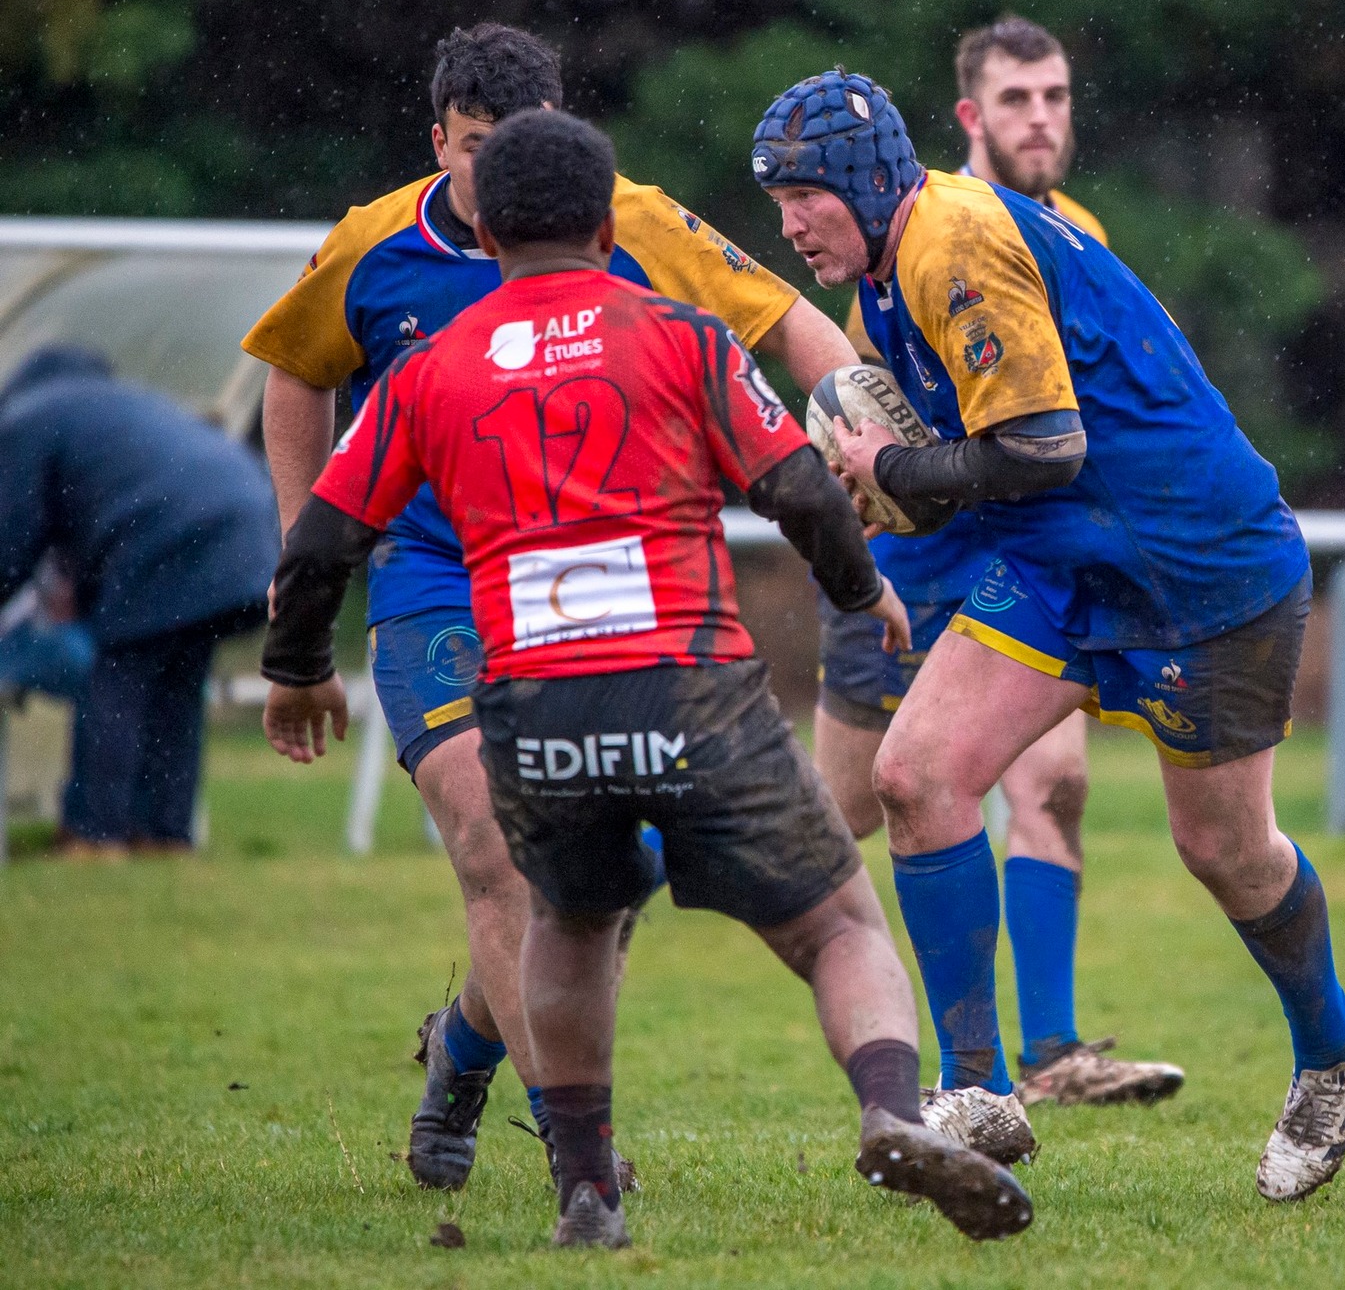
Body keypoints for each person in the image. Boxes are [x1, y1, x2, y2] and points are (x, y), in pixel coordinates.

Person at [260, 110, 1032, 1249]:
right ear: (601, 217)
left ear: (491, 219)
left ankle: (585, 1190)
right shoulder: (680, 338)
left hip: (533, 706)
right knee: (835, 926)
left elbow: (324, 536)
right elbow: (802, 493)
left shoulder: (431, 370)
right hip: (692, 692)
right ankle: (885, 1107)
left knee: (567, 922)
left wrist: (294, 669)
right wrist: (867, 592)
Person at [753, 72, 1345, 1201]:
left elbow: (1042, 444)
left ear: (859, 179)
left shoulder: (949, 240)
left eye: (802, 194)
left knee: (1224, 850)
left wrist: (891, 472)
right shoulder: (892, 274)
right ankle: (980, 1092)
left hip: (1200, 562)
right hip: (1063, 562)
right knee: (914, 773)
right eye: (776, 201)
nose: (790, 222)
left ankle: (1337, 1045)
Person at [240, 23, 859, 1190]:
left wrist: (869, 428)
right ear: (438, 142)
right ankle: (587, 1159)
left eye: (510, 147)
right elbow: (297, 372)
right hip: (433, 577)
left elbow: (787, 322)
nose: (488, 179)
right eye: (470, 149)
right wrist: (297, 556)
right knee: (497, 851)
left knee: (592, 882)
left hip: (590, 584)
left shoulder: (623, 219)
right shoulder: (372, 245)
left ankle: (464, 1045)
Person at [817, 16, 1182, 1109]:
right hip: (914, 559)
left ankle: (1049, 1053)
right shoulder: (909, 238)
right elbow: (854, 412)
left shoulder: (1079, 229)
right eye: (1016, 99)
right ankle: (590, 902)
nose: (1041, 117)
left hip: (1021, 554)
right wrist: (868, 538)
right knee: (822, 827)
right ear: (970, 116)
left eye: (1056, 96)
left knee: (1055, 781)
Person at [0, 346, 275, 859]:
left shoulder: (27, 418)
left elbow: (12, 539)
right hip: (255, 534)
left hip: (173, 539)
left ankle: (93, 836)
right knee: (174, 688)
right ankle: (164, 837)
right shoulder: (121, 405)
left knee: (117, 681)